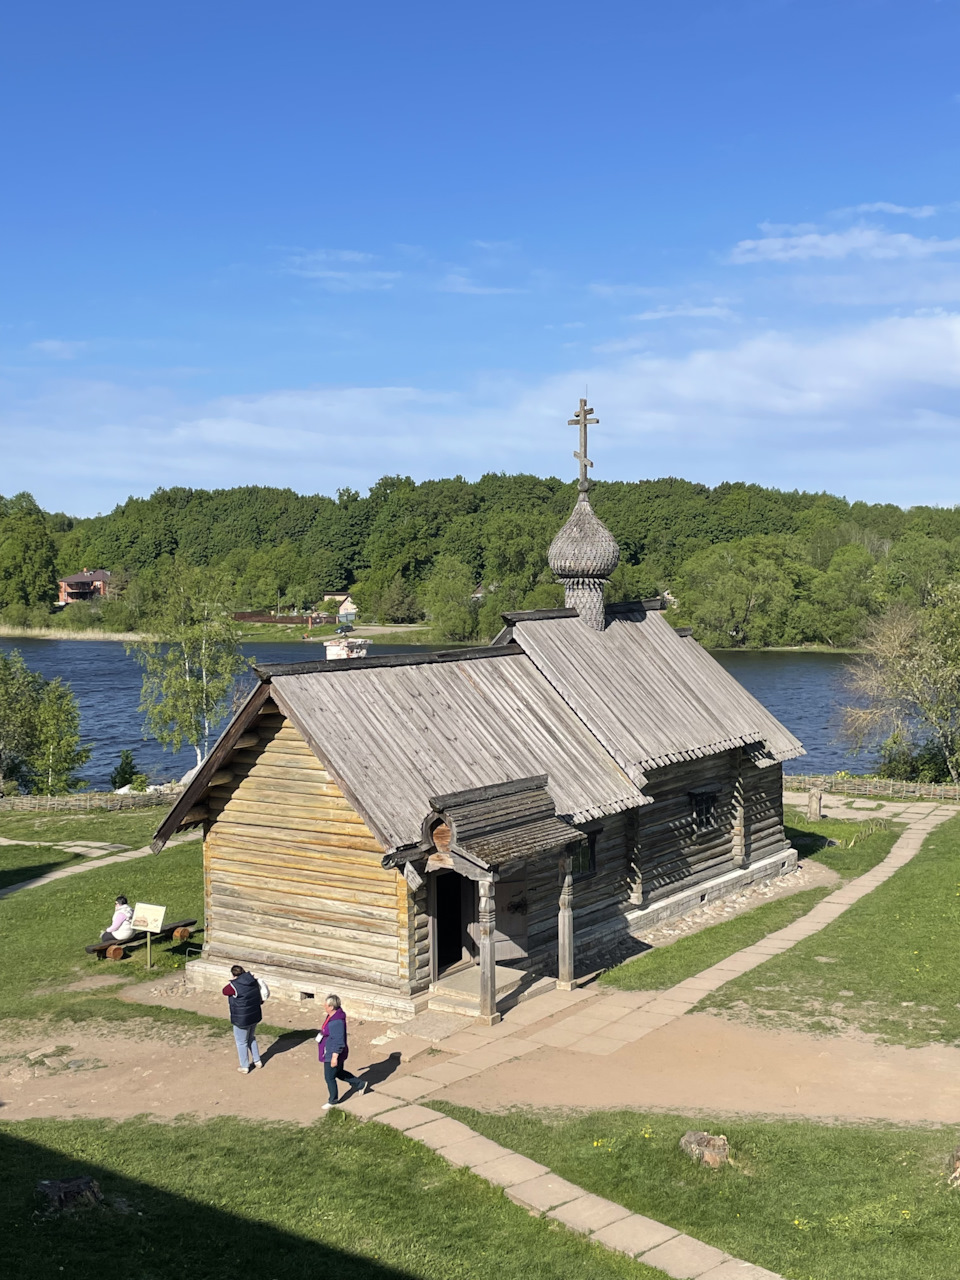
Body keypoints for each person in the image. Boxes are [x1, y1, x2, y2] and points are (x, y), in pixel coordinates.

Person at [316, 993, 368, 1109]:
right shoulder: (332, 1015)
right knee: (338, 1072)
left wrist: (334, 1057)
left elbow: (338, 1041)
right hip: (331, 1051)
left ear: (331, 1007)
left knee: (329, 1077)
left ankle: (333, 1101)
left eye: (326, 1004)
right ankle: (360, 1084)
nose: (324, 1006)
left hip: (332, 1053)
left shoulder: (336, 1022)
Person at [222, 965, 264, 1074]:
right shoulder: (253, 981)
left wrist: (233, 981)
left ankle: (245, 1066)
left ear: (233, 974)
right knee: (251, 1038)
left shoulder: (234, 986)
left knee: (241, 1042)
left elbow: (225, 991)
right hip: (254, 1015)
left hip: (241, 1019)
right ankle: (257, 1060)